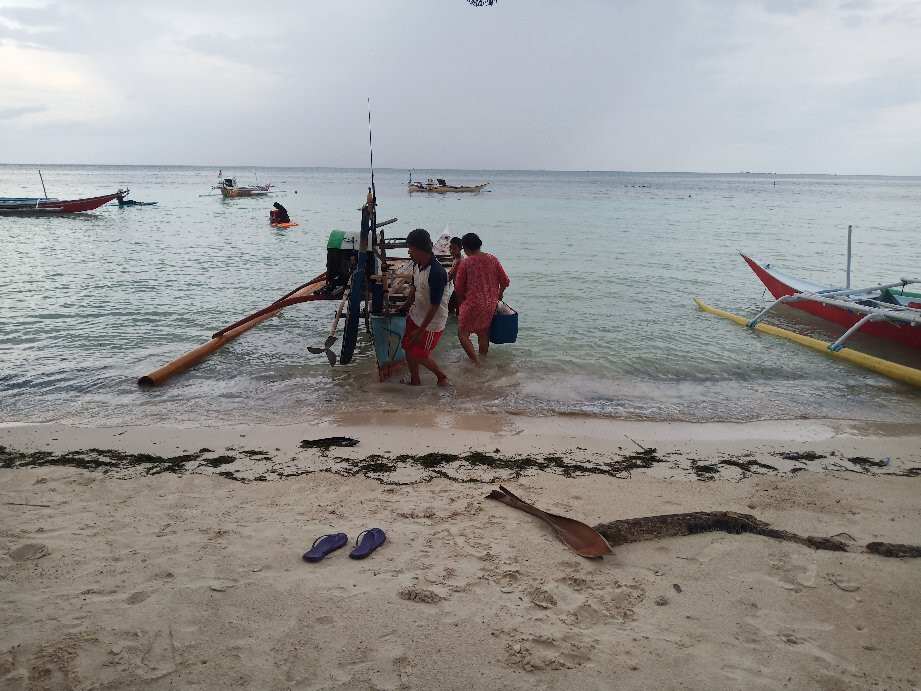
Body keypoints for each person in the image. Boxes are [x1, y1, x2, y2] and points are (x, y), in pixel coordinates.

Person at [399, 228, 453, 387]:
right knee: (407, 346)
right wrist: (405, 306)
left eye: (410, 248)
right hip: (416, 314)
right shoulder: (417, 265)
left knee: (419, 354)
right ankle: (415, 380)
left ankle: (442, 377)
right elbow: (414, 288)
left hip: (432, 322)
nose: (409, 252)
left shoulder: (436, 273)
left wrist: (421, 330)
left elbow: (435, 306)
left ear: (418, 248)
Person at [454, 232, 510, 365]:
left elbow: (458, 288)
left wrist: (462, 304)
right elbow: (505, 281)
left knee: (462, 333)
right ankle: (483, 360)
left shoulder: (466, 263)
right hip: (490, 303)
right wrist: (499, 293)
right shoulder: (492, 259)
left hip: (473, 304)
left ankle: (476, 362)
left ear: (466, 248)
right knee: (483, 333)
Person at [447, 236, 463, 315]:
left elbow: (450, 277)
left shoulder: (459, 261)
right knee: (451, 306)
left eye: (455, 248)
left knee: (456, 308)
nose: (451, 250)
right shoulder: (455, 258)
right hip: (457, 288)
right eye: (450, 248)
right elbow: (450, 272)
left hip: (460, 290)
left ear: (461, 249)